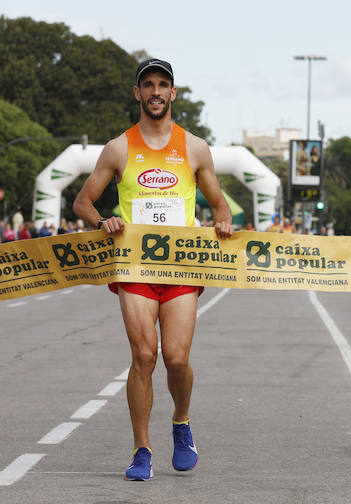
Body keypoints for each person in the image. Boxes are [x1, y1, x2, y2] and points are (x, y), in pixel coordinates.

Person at [73, 58, 233, 481]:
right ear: (137, 93)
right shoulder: (119, 148)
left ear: (173, 93)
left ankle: (181, 422)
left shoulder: (194, 148)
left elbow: (220, 203)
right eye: (148, 85)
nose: (156, 91)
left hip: (181, 267)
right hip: (133, 266)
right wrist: (101, 221)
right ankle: (141, 448)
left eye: (163, 84)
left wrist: (223, 220)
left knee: (176, 359)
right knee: (144, 356)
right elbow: (83, 201)